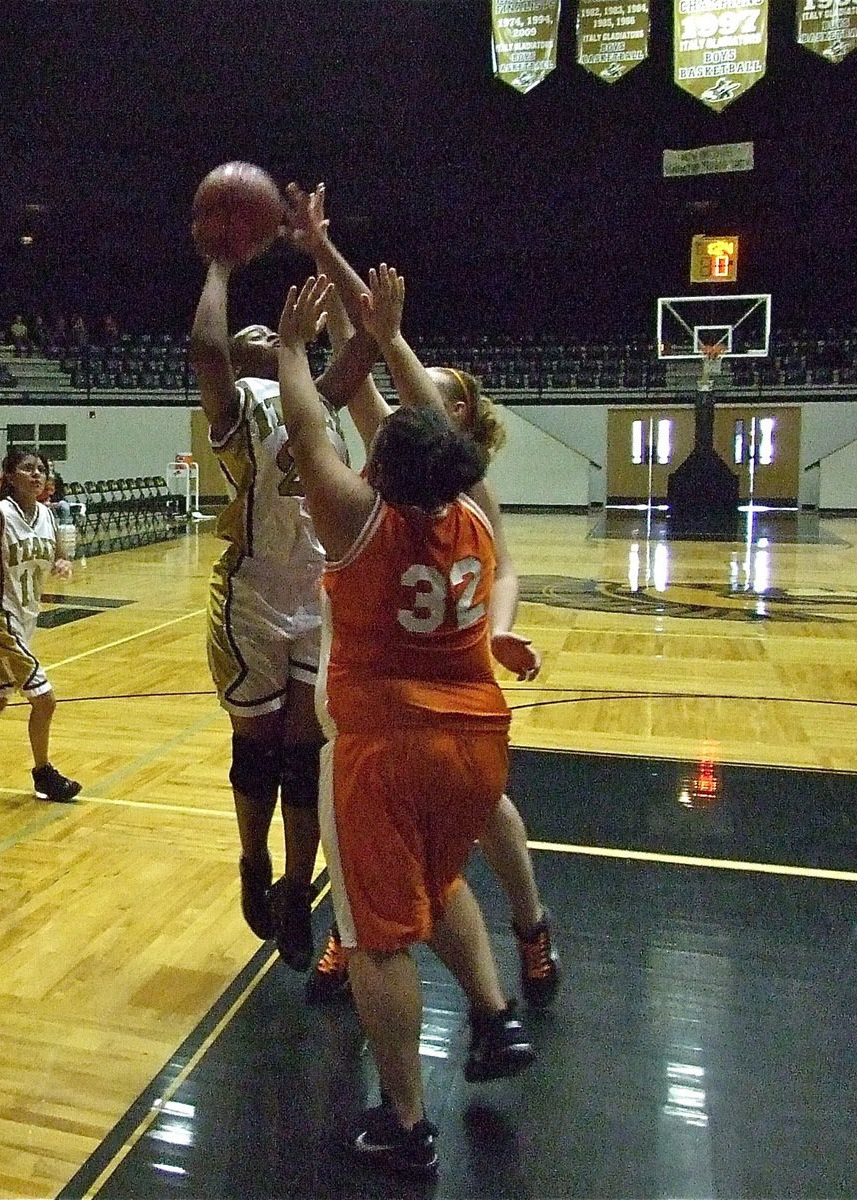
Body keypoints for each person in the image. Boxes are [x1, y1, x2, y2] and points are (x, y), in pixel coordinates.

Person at [276, 272, 533, 1177]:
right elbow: (431, 417)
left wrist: (291, 350)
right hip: (476, 740)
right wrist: (385, 337)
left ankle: (406, 1122)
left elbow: (308, 425)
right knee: (443, 882)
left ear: (382, 467)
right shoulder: (475, 512)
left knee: (379, 936)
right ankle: (496, 1019)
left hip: (386, 745)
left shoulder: (356, 518)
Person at [285, 184, 561, 1012]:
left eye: (439, 396)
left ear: (460, 418)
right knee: (390, 833)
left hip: (426, 682)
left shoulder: (465, 487)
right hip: (395, 683)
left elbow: (504, 569)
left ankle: (529, 924)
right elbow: (362, 351)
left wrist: (498, 631)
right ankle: (362, 932)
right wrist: (326, 254)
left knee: (481, 822)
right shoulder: (408, 461)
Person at [187, 234, 377, 972]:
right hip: (252, 597)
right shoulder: (235, 407)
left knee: (306, 758)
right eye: (252, 335)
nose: (265, 332)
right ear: (238, 360)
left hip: (316, 594)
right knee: (256, 753)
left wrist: (327, 256)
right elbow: (206, 348)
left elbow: (362, 350)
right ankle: (252, 860)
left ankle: (299, 891)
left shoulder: (313, 397)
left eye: (272, 329)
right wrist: (223, 263)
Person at [0, 446, 81, 820]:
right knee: (44, 700)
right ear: (10, 476)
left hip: (25, 620)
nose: (36, 475)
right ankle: (43, 773)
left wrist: (62, 560)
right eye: (27, 468)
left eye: (41, 469)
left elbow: (57, 551)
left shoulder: (47, 515)